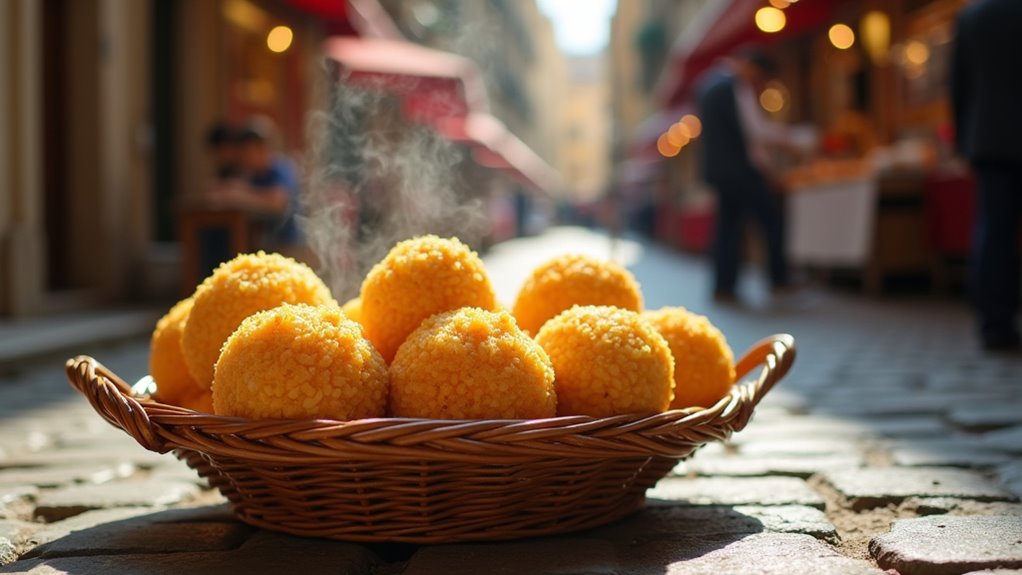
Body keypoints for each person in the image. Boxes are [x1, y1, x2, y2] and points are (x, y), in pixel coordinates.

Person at [697, 47, 798, 304]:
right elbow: (753, 132)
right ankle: (779, 279)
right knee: (771, 220)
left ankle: (724, 286)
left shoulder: (710, 84)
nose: (759, 84)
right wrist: (786, 144)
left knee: (728, 229)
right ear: (752, 67)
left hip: (721, 172)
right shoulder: (734, 86)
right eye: (761, 78)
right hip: (740, 172)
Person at [951, 0, 1022, 351]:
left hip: (989, 138)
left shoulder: (972, 17)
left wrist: (963, 142)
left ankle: (994, 324)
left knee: (994, 230)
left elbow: (958, 86)